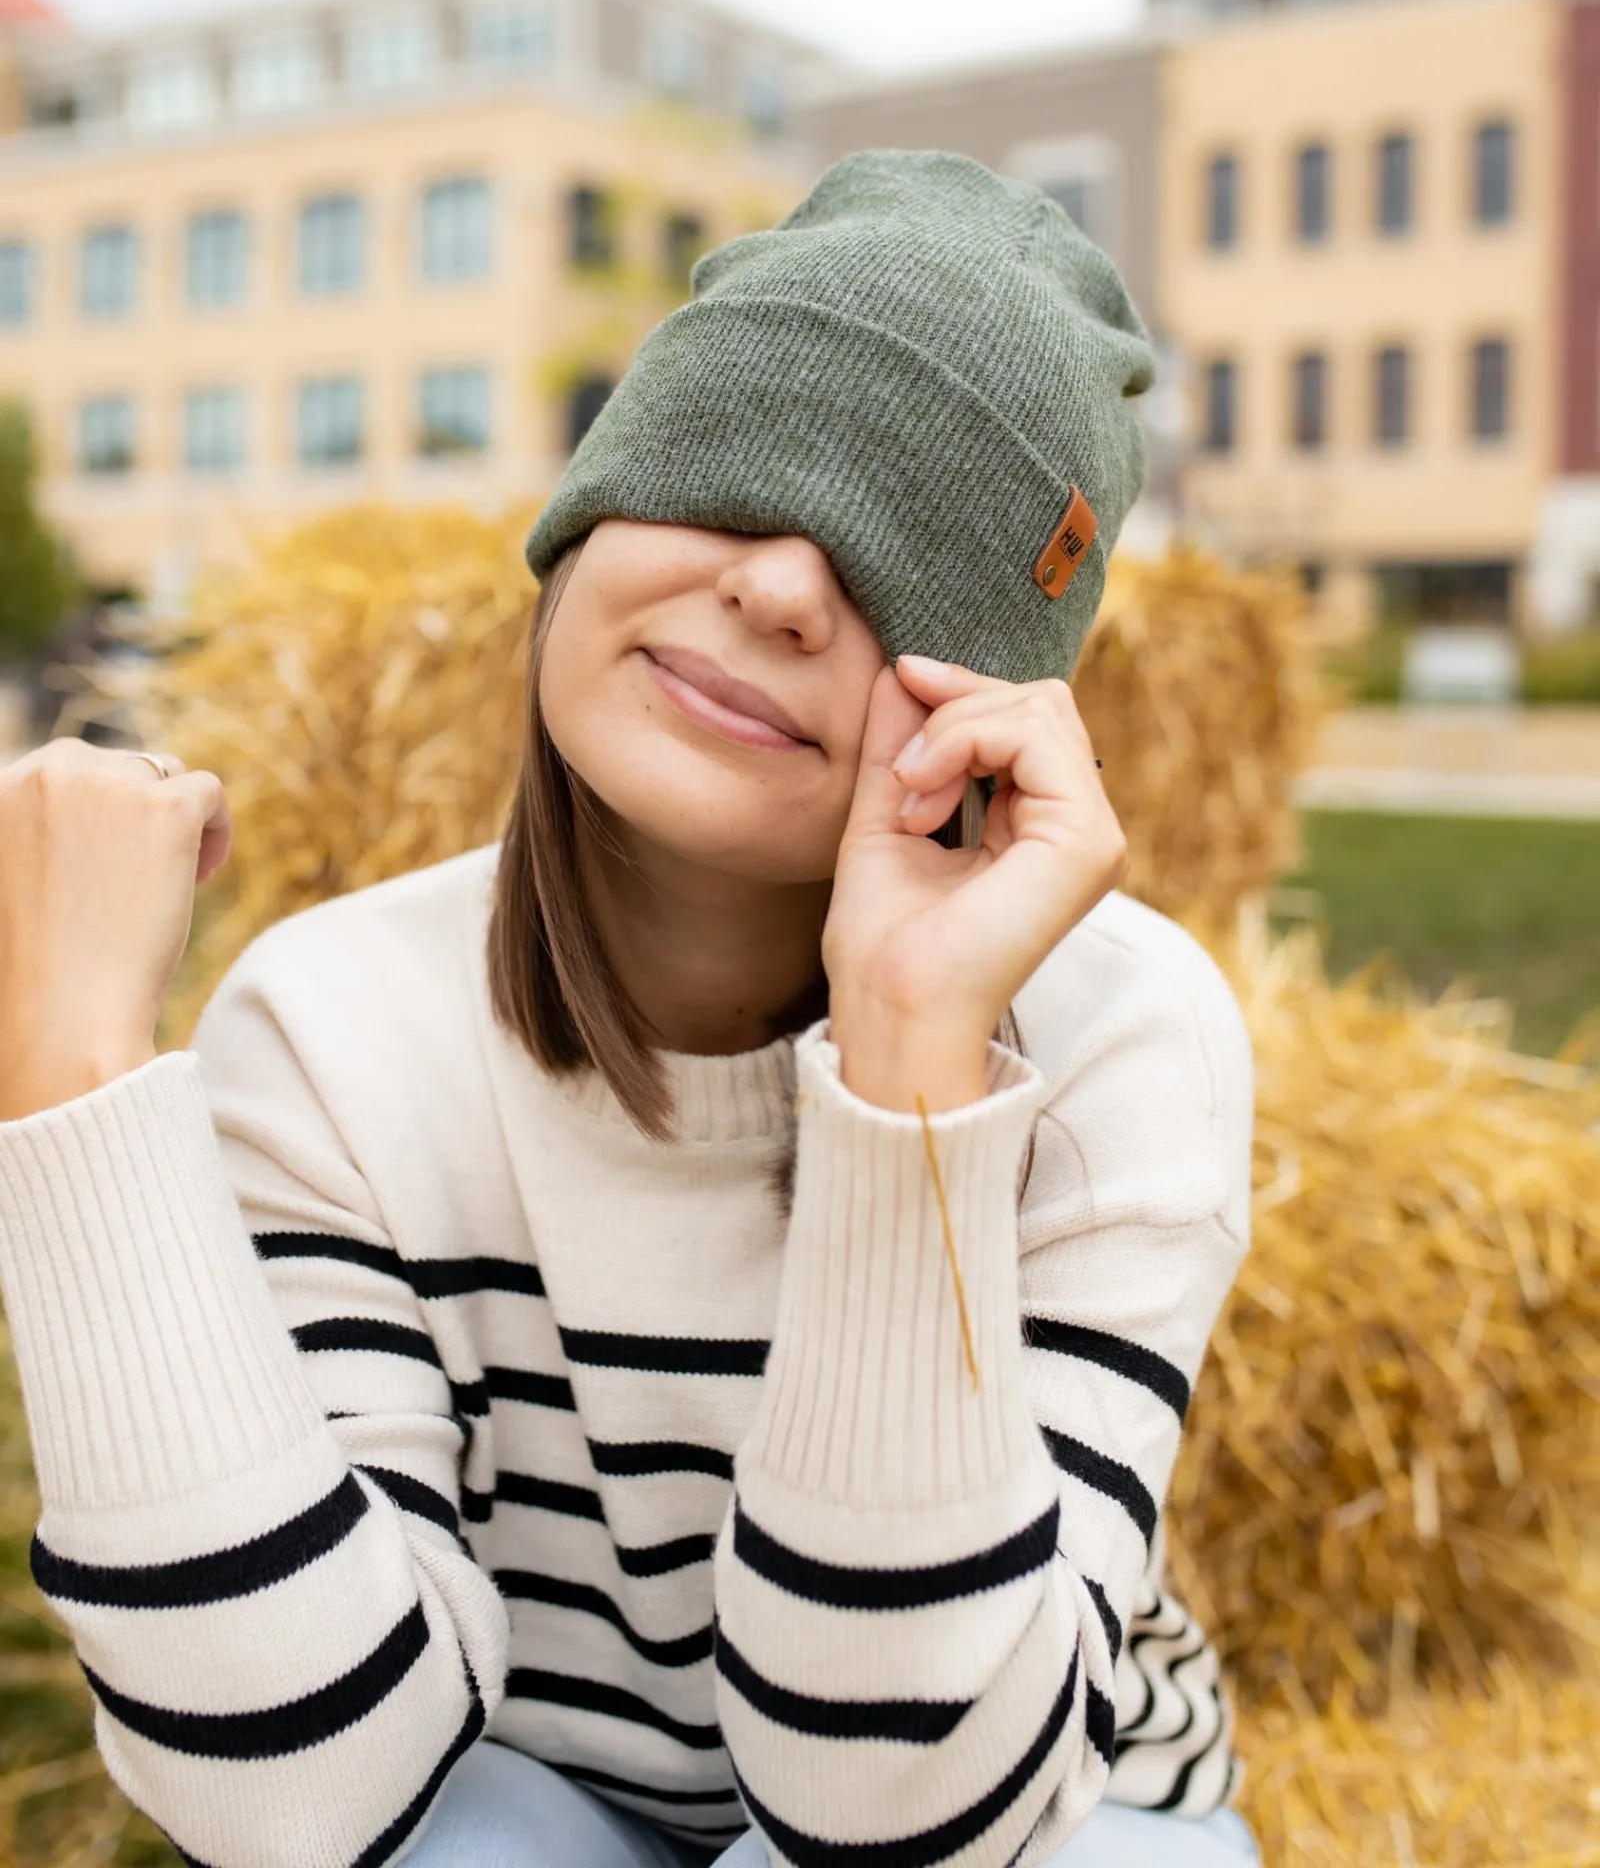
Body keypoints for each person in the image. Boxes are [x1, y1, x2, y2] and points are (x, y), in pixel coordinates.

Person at [0, 152, 1256, 1868]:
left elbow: (908, 1824)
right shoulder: (331, 1023)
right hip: (533, 1790)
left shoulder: (1117, 1037)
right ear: (590, 512)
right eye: (733, 471)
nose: (783, 589)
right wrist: (70, 1077)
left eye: (908, 556)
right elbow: (293, 1796)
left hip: (1044, 1819)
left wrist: (907, 1075)